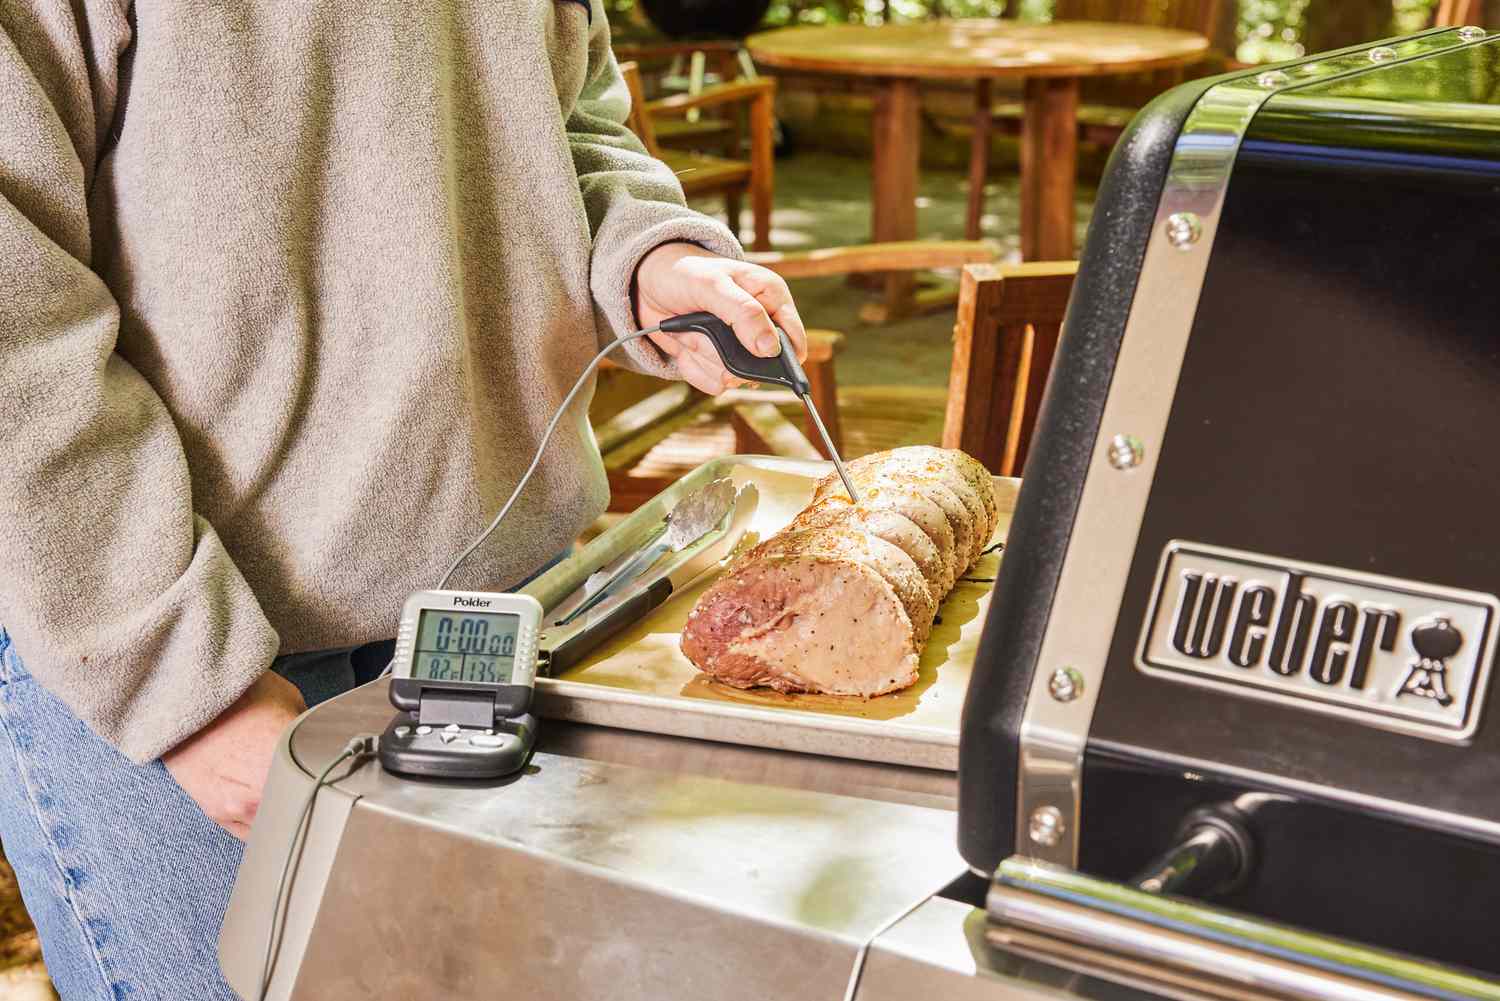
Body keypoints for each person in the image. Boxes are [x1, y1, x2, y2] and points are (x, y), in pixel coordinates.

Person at [0, 2, 807, 998]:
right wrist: (185, 687)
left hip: (522, 611)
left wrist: (648, 252)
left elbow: (564, 112)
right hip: (197, 659)